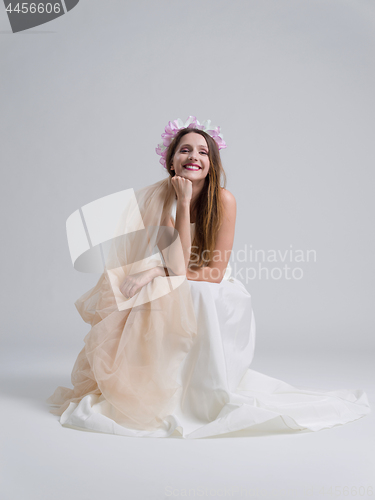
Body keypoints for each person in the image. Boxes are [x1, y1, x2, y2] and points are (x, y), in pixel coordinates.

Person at [46, 116, 370, 438]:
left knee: (191, 292)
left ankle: (200, 392)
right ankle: (156, 385)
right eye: (185, 150)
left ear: (212, 163)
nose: (194, 157)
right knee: (145, 291)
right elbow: (177, 262)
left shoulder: (224, 200)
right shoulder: (160, 202)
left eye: (203, 152)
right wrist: (180, 207)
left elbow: (211, 271)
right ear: (171, 161)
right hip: (177, 274)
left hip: (213, 282)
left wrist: (159, 266)